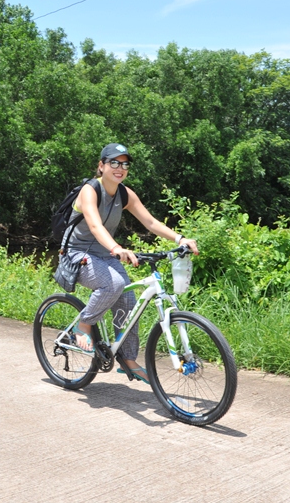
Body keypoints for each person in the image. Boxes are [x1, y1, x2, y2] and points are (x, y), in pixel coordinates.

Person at [66, 143, 198, 385]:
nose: (120, 168)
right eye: (114, 162)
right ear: (101, 166)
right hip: (78, 253)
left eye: (125, 164)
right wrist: (117, 248)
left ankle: (127, 359)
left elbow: (149, 222)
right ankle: (83, 325)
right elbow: (94, 226)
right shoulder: (90, 190)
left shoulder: (125, 193)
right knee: (114, 284)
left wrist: (180, 239)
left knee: (127, 299)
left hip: (104, 254)